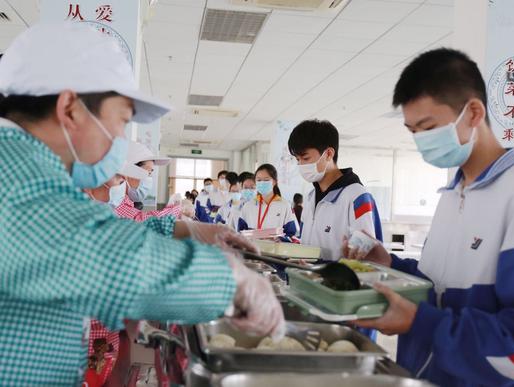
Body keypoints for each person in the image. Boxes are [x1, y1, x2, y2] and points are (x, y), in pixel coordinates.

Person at [0, 23, 283, 385]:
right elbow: (107, 256)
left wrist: (189, 229)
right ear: (69, 108)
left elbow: (95, 230)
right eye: (121, 120)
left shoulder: (32, 169)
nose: (121, 139)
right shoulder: (14, 174)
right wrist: (231, 281)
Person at [347, 48, 514, 386]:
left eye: (428, 128)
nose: (421, 142)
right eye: (413, 132)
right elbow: (438, 288)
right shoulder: (454, 194)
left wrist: (421, 323)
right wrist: (390, 264)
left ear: (473, 112)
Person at [288, 119, 382, 260]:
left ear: (329, 154)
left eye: (305, 158)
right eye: (297, 160)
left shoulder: (356, 196)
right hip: (308, 276)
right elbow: (305, 242)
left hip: (338, 280)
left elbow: (365, 255)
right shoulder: (310, 197)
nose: (301, 165)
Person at [114, 141, 181, 221]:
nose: (148, 178)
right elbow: (142, 221)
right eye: (147, 172)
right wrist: (179, 210)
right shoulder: (113, 200)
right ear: (129, 171)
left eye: (150, 173)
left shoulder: (124, 200)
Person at [238, 164, 299, 238]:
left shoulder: (285, 205)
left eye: (266, 180)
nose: (262, 183)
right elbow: (240, 232)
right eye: (259, 180)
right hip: (252, 248)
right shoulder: (248, 206)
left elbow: (292, 234)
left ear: (275, 182)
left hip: (276, 249)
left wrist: (279, 239)